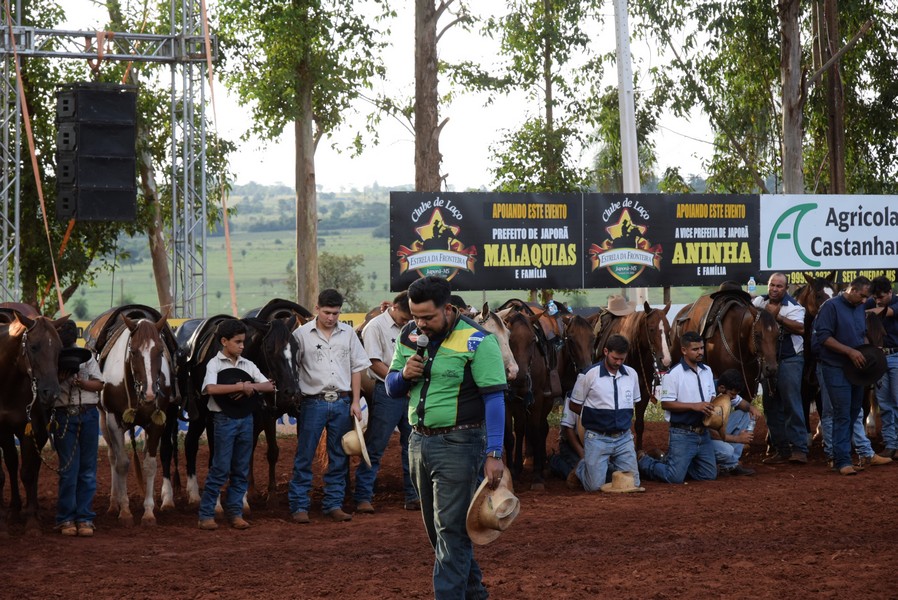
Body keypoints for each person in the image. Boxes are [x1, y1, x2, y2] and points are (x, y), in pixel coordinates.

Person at [385, 275, 507, 600]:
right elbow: (391, 387)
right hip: (418, 443)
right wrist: (402, 376)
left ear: (448, 308)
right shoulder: (409, 335)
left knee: (451, 533)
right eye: (415, 316)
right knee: (439, 534)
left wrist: (495, 453)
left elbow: (494, 399)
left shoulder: (478, 340)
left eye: (428, 317)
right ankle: (475, 595)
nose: (420, 324)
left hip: (460, 444)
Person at [289, 288, 371, 523]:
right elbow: (292, 369)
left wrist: (356, 401)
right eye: (327, 312)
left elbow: (357, 368)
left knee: (339, 456)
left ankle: (333, 504)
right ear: (317, 309)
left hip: (343, 401)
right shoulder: (301, 335)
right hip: (312, 401)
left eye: (335, 313)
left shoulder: (348, 333)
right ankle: (299, 506)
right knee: (304, 455)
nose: (331, 318)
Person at [198, 319, 274, 530]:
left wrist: (250, 386)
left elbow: (269, 385)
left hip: (245, 420)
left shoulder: (247, 364)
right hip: (223, 419)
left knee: (241, 468)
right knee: (220, 468)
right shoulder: (214, 364)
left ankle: (234, 513)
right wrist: (241, 386)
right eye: (238, 342)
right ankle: (206, 514)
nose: (242, 346)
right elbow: (210, 389)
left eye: (243, 342)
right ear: (224, 341)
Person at [811, 276, 890, 475]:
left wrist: (866, 352)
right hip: (835, 366)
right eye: (862, 296)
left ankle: (842, 457)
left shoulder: (859, 308)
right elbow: (824, 338)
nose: (865, 301)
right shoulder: (831, 307)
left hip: (857, 368)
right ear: (852, 289)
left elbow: (861, 334)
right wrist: (850, 352)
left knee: (855, 412)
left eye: (867, 297)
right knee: (842, 413)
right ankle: (842, 460)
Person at [353, 291, 419, 513]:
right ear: (395, 308)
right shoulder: (375, 327)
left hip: (411, 391)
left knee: (412, 446)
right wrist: (399, 380)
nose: (408, 322)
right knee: (376, 444)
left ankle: (413, 496)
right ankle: (363, 496)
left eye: (411, 319)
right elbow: (373, 362)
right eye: (405, 318)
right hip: (388, 391)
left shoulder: (413, 326)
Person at [637, 331, 718, 484]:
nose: (700, 352)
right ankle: (644, 461)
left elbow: (712, 395)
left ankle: (674, 463)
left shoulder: (707, 371)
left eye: (701, 348)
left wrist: (714, 403)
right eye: (695, 349)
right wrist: (694, 406)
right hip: (682, 433)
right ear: (684, 350)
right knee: (673, 477)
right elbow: (666, 403)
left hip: (704, 432)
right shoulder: (673, 374)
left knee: (709, 474)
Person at [569, 334, 642, 491]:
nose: (618, 362)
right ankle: (583, 467)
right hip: (597, 438)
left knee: (633, 484)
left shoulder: (632, 374)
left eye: (622, 359)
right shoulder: (589, 374)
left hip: (623, 438)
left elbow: (633, 402)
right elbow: (574, 405)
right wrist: (595, 418)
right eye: (615, 358)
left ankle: (600, 466)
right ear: (606, 351)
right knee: (594, 487)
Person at [52, 320, 104, 537]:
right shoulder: (52, 359)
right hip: (65, 414)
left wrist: (80, 382)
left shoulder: (88, 357)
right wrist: (59, 379)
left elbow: (100, 384)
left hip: (88, 414)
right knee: (69, 470)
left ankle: (83, 517)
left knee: (87, 470)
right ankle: (67, 518)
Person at [752, 272, 809, 464]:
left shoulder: (793, 307)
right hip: (768, 361)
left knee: (791, 403)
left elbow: (801, 329)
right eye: (772, 285)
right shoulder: (759, 301)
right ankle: (781, 449)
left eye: (779, 286)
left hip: (790, 359)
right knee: (770, 405)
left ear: (786, 288)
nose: (774, 289)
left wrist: (777, 318)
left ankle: (800, 448)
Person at [866, 276, 898, 458]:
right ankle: (890, 443)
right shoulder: (871, 302)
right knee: (884, 403)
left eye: (882, 297)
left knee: (896, 400)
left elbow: (885, 312)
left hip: (895, 355)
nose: (878, 300)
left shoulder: (896, 303)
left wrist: (867, 310)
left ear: (890, 293)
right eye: (875, 297)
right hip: (879, 357)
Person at [710, 369, 761, 476]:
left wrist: (752, 408)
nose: (733, 398)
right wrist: (738, 439)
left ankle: (731, 465)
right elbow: (712, 434)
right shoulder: (709, 396)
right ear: (721, 388)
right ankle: (729, 462)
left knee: (744, 414)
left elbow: (742, 403)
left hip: (715, 432)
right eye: (732, 394)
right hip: (704, 437)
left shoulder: (725, 391)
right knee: (726, 451)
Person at [548, 395, 585, 488]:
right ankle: (555, 461)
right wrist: (583, 456)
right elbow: (568, 429)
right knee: (579, 473)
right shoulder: (573, 395)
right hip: (571, 444)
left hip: (594, 443)